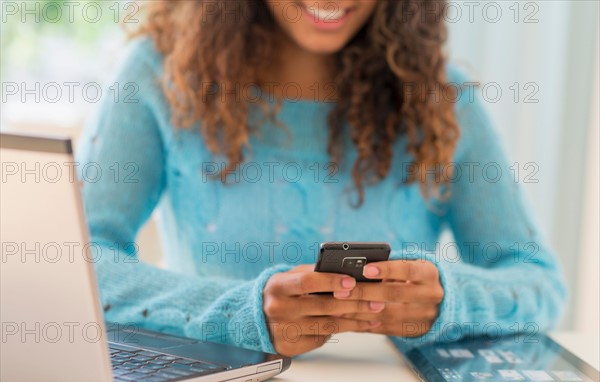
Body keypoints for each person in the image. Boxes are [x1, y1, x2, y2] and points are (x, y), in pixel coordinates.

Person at [78, 0, 566, 357]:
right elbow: (80, 262)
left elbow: (537, 281)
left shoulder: (445, 100)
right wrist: (238, 313)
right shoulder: (158, 73)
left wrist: (450, 300)